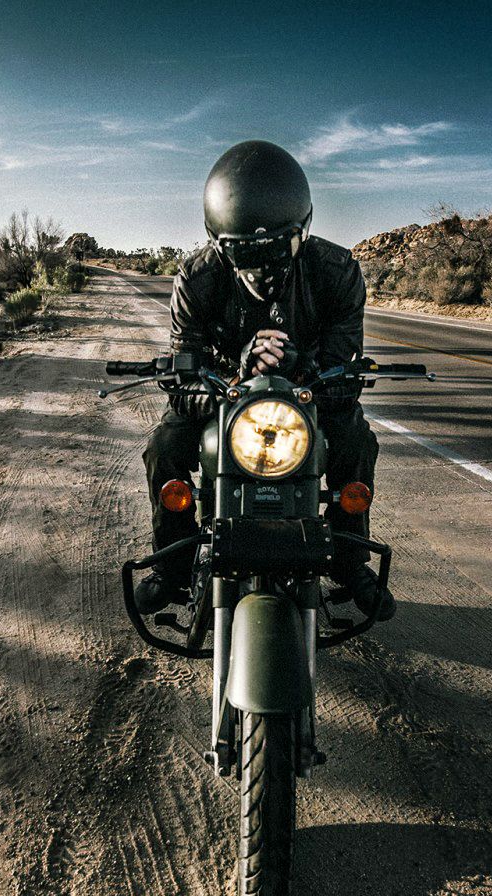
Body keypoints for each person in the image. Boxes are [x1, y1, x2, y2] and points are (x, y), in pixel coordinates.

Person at [135, 139, 395, 621]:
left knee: (355, 438)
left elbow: (347, 372)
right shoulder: (196, 278)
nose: (260, 270)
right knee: (165, 445)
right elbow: (183, 372)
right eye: (243, 254)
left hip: (307, 399)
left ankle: (350, 556)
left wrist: (301, 367)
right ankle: (172, 564)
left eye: (276, 250)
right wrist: (236, 371)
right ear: (219, 243)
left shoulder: (335, 273)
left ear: (300, 233)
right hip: (220, 398)